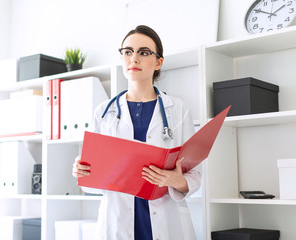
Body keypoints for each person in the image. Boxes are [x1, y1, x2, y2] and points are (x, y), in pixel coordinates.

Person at [72, 25, 202, 240]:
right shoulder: (104, 113)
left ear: (158, 62)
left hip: (167, 222)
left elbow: (195, 175)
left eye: (143, 52)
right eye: (128, 52)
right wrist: (83, 172)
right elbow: (93, 184)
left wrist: (174, 180)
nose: (134, 58)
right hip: (117, 222)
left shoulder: (178, 110)